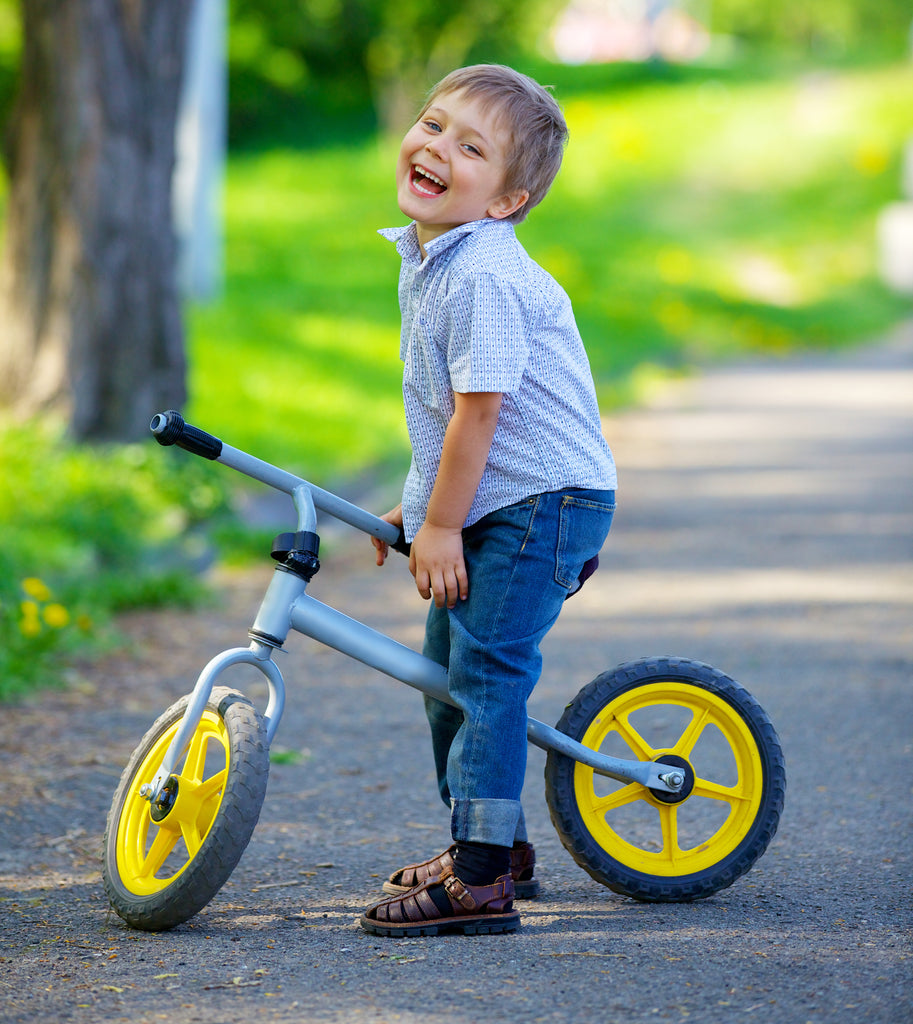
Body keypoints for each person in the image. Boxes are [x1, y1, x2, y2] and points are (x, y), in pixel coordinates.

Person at [361, 64, 617, 938]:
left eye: (469, 147)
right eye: (433, 124)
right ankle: (493, 843)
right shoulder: (429, 257)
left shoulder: (483, 275)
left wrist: (440, 522)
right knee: (445, 678)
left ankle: (479, 879)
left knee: (485, 671)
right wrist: (419, 501)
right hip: (502, 495)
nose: (435, 147)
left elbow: (481, 412)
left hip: (545, 500)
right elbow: (440, 410)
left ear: (506, 200)